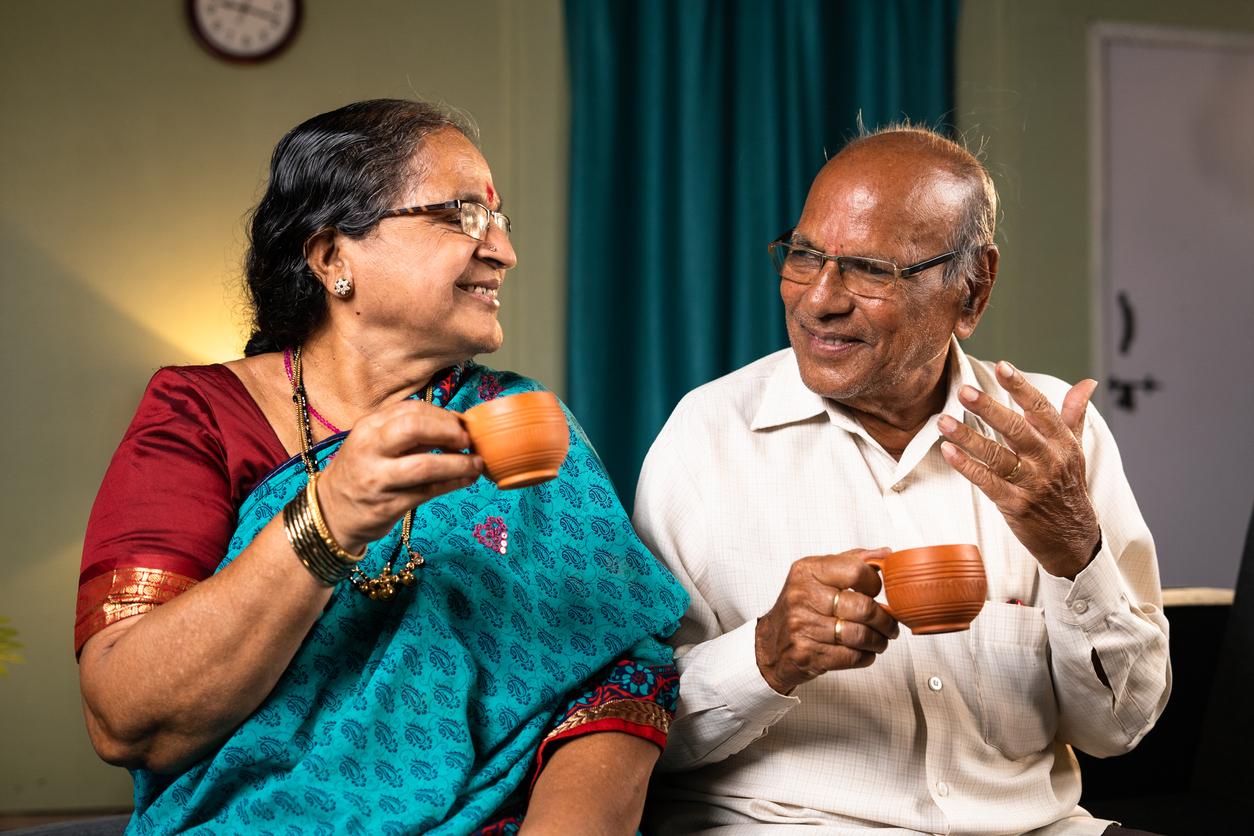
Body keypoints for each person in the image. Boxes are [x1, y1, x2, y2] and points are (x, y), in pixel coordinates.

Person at [76, 99, 688, 835]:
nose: (502, 250)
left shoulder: (515, 420)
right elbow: (124, 720)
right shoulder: (202, 416)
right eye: (462, 214)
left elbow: (620, 673)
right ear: (334, 256)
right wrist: (328, 514)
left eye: (500, 219)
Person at [634, 126, 1170, 835]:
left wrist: (1077, 550)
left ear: (971, 290)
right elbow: (627, 734)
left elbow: (1118, 728)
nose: (818, 299)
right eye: (803, 256)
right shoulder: (705, 439)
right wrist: (766, 655)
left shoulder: (1052, 447)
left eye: (869, 269)